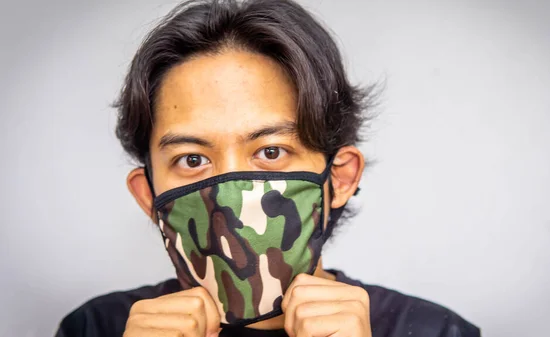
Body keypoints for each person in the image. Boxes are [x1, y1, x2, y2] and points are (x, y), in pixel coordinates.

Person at [55, 0, 480, 336]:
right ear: (148, 194)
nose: (229, 192)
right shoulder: (94, 328)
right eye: (192, 159)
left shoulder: (437, 331)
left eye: (271, 152)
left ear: (340, 178)